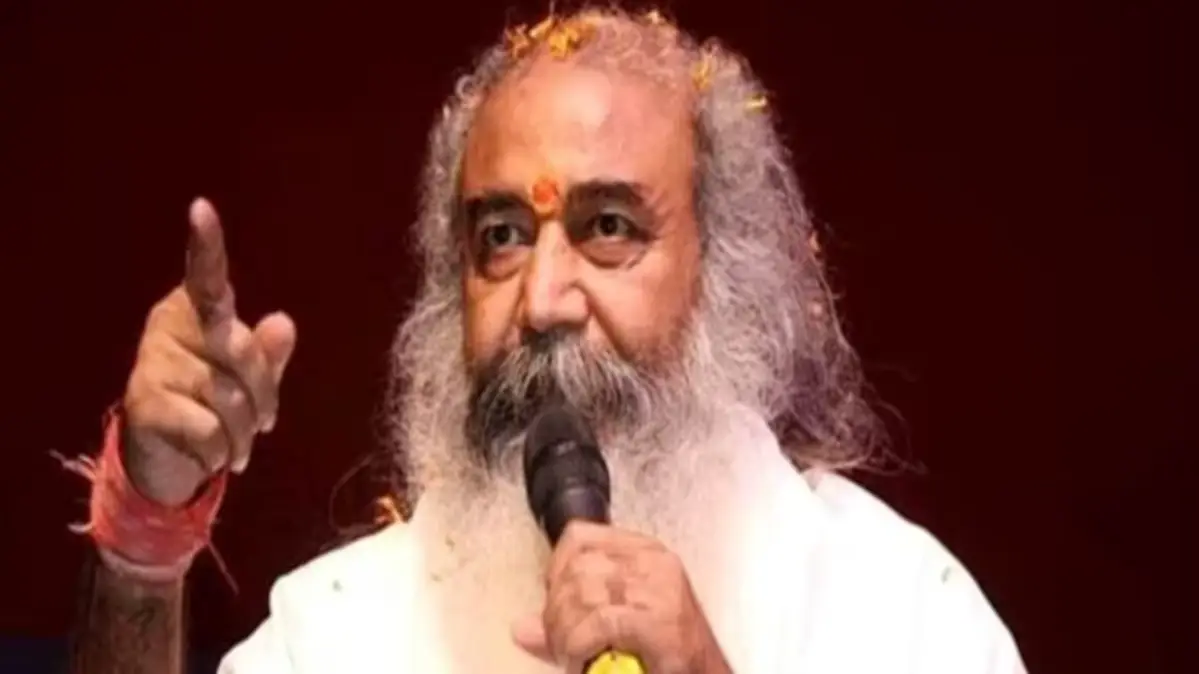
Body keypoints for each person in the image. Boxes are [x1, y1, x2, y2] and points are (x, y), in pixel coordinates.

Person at [68, 7, 1026, 674]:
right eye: (501, 237)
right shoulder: (343, 630)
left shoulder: (896, 609)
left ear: (725, 271)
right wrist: (145, 539)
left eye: (608, 227)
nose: (542, 300)